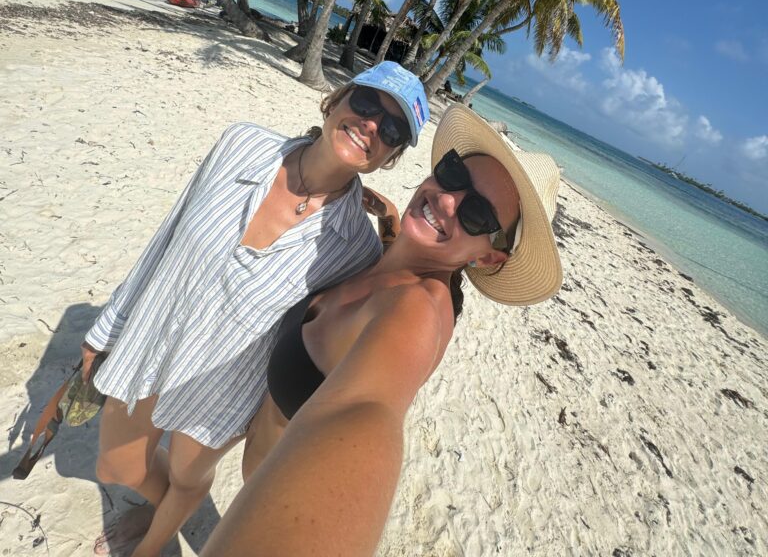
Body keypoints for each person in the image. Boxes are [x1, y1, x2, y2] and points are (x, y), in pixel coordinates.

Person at [79, 61, 430, 557]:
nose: (372, 124)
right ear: (338, 99)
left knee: (186, 476)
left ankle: (151, 545)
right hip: (153, 339)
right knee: (118, 465)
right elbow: (167, 235)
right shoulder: (242, 144)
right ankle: (160, 508)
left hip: (225, 384)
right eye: (367, 103)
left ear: (389, 157)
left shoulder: (356, 248)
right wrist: (104, 331)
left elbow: (375, 314)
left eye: (391, 128)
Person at [205, 103, 563, 556]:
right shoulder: (395, 262)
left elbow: (368, 411)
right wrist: (393, 222)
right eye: (453, 175)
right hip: (254, 468)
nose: (447, 199)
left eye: (477, 214)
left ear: (488, 257)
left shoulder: (415, 311)